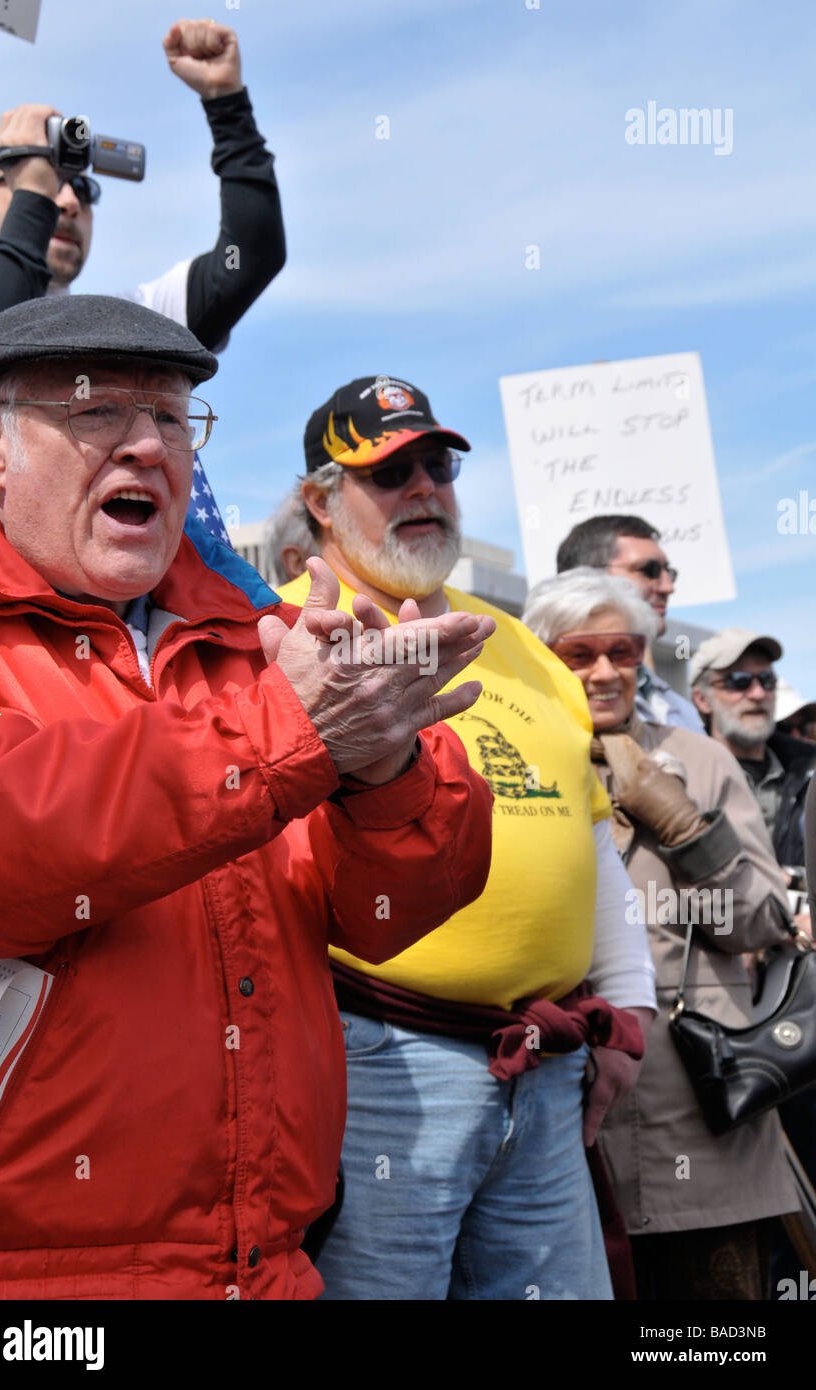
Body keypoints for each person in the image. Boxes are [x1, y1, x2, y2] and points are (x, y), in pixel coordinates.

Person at [0, 300, 496, 1301]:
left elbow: (391, 915)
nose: (147, 447)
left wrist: (383, 772)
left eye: (171, 419)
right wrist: (286, 741)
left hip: (266, 1265)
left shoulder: (265, 638)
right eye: (98, 412)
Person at [278, 374, 657, 1301]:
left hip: (545, 1065)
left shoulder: (524, 643)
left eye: (436, 464)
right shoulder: (278, 628)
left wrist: (630, 1009)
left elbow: (588, 837)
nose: (422, 488)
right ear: (321, 502)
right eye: (388, 470)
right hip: (374, 1063)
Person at [523, 568, 799, 1301]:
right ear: (541, 655)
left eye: (623, 650)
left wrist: (683, 828)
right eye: (579, 654)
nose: (605, 671)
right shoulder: (511, 761)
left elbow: (764, 922)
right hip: (559, 1114)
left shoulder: (698, 757)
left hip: (698, 1121)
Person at [0, 18, 285, 456]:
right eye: (47, 181)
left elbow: (249, 259)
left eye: (84, 187)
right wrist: (34, 198)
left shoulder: (124, 322)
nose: (68, 201)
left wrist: (227, 105)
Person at [557, 513, 704, 734]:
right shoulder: (537, 705)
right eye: (650, 571)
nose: (667, 587)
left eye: (669, 573)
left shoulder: (682, 710)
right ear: (587, 577)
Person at [690, 628, 816, 871]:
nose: (758, 693)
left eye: (767, 681)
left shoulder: (807, 773)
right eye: (739, 682)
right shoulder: (681, 778)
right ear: (702, 700)